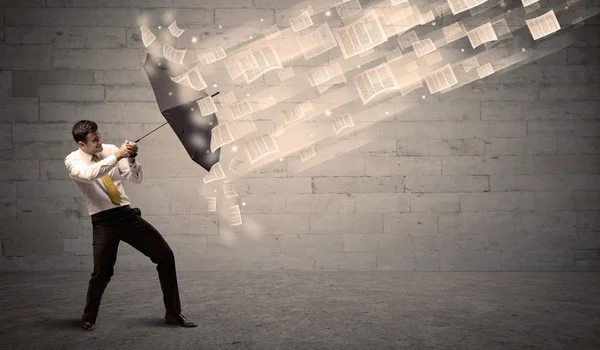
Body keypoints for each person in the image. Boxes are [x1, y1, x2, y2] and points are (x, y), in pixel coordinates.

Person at [64, 120, 197, 331]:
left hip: (126, 214)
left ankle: (173, 313)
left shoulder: (109, 149)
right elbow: (90, 175)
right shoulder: (73, 160)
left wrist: (132, 158)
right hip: (103, 220)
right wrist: (117, 155)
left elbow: (134, 178)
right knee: (102, 273)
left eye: (99, 136)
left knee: (165, 255)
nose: (100, 141)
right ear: (82, 144)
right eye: (94, 140)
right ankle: (88, 318)